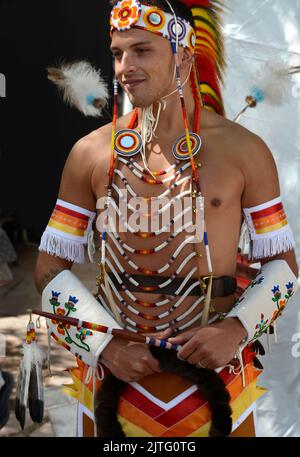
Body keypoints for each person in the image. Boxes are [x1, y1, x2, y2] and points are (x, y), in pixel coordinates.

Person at [34, 0, 299, 437]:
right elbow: (47, 269)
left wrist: (234, 329)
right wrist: (104, 346)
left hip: (218, 375)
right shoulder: (91, 152)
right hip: (113, 378)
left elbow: (283, 266)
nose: (123, 67)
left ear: (185, 56)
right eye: (117, 53)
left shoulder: (243, 150)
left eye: (141, 51)